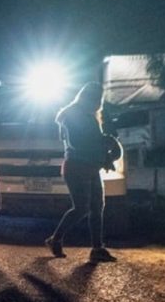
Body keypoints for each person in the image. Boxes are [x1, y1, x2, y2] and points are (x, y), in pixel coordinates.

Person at [45, 82, 117, 263]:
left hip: (89, 166)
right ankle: (56, 239)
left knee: (96, 208)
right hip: (78, 166)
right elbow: (78, 142)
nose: (98, 103)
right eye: (96, 98)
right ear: (88, 97)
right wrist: (103, 143)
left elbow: (89, 142)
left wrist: (104, 148)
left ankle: (97, 248)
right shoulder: (73, 115)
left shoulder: (86, 115)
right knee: (83, 208)